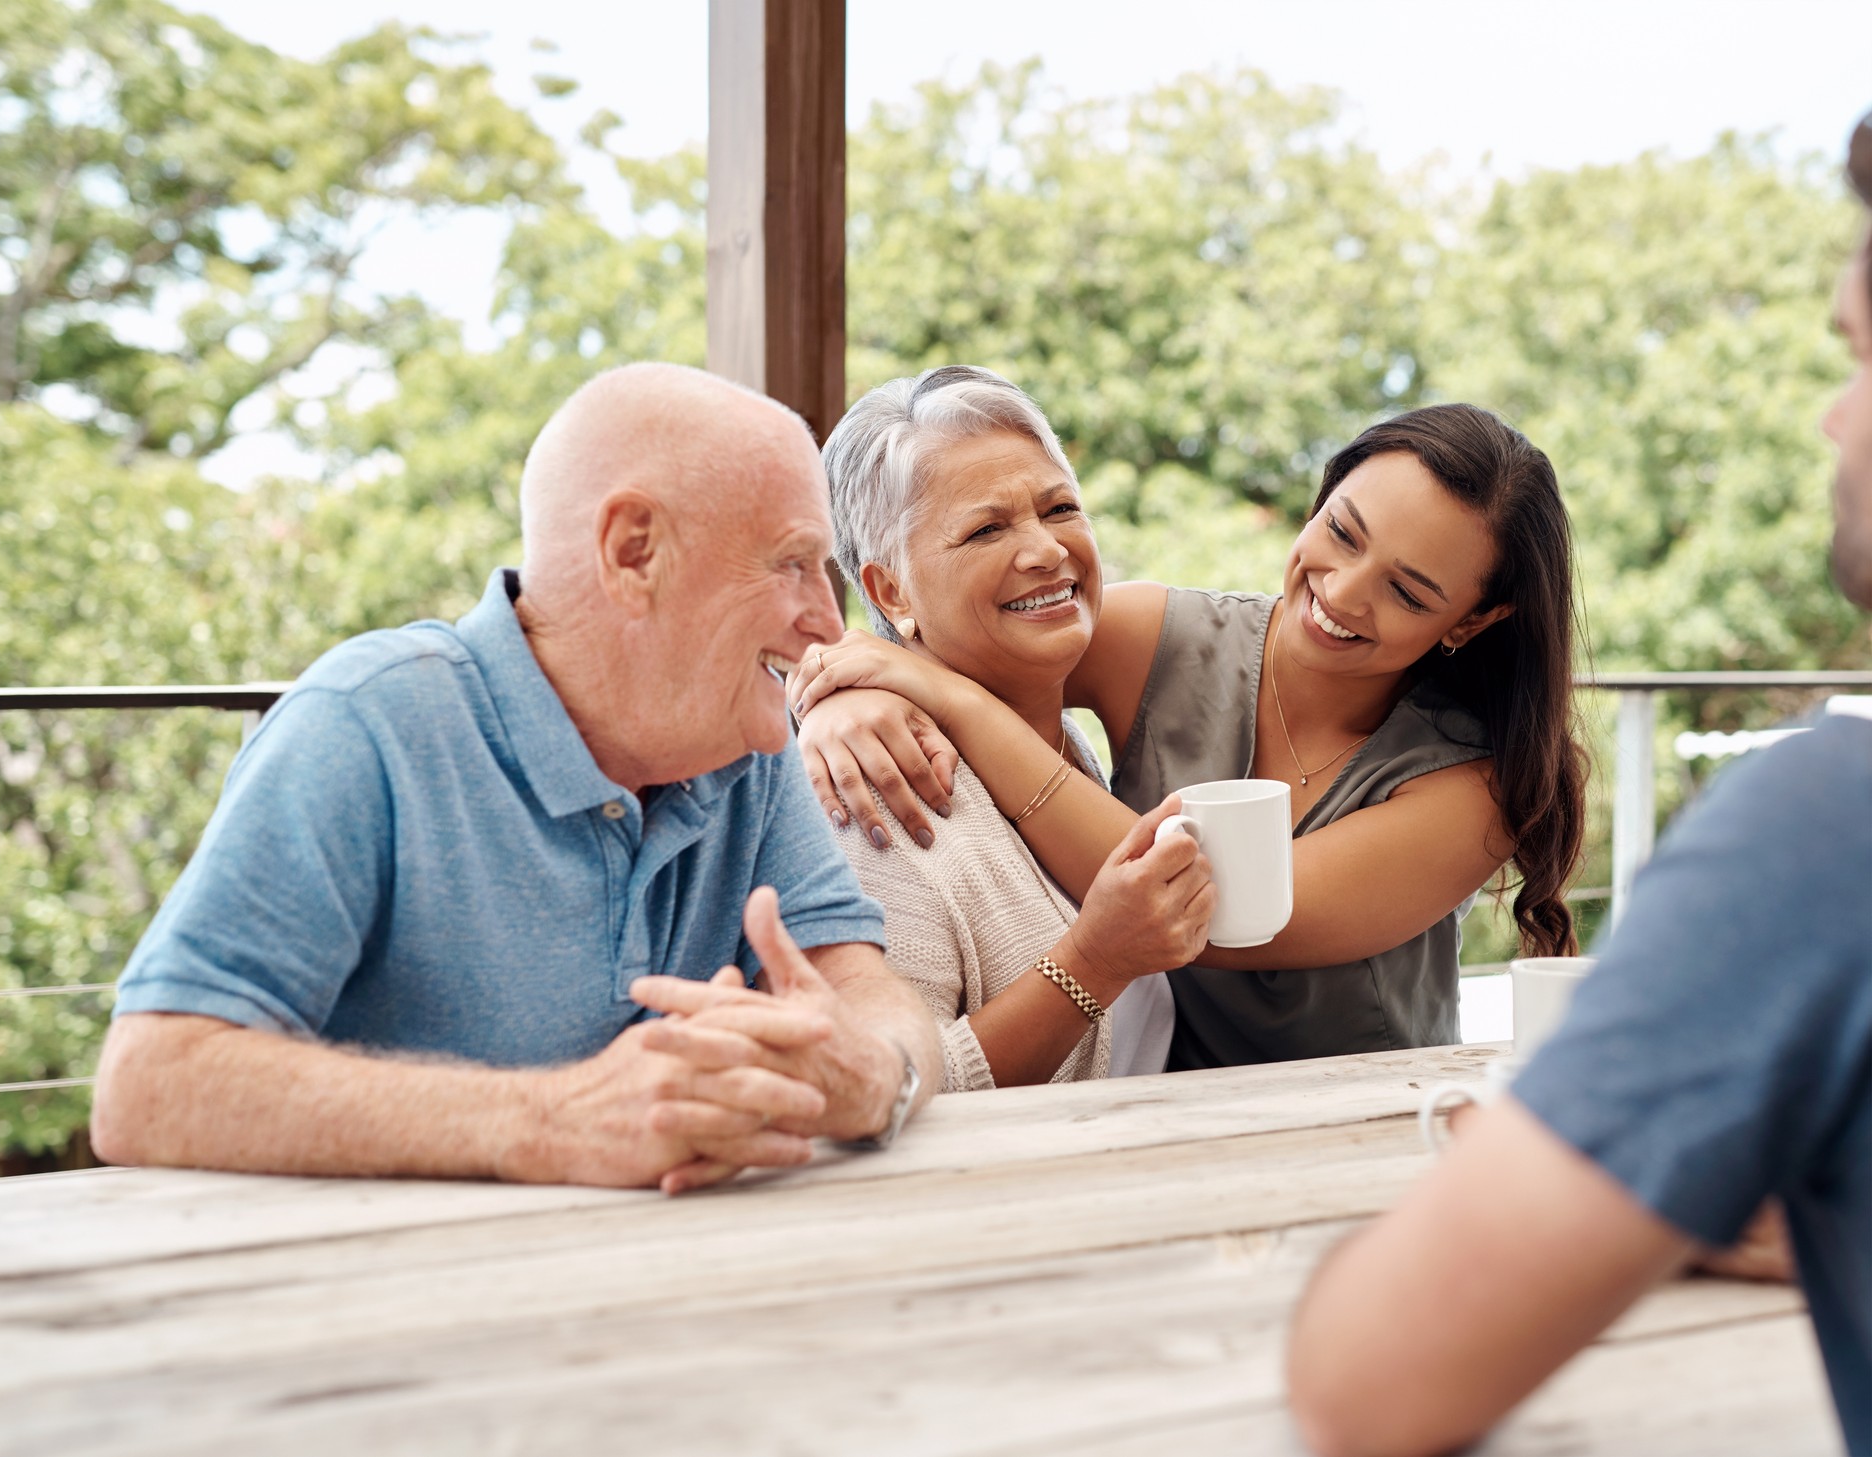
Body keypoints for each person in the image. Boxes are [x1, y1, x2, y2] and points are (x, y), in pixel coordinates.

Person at [1286, 112, 1872, 1457]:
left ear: (1470, 625)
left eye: (1859, 358)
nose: (1837, 416)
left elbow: (1371, 1379)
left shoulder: (1822, 840)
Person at [90, 363, 941, 1196]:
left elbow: (864, 988)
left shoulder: (740, 744)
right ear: (633, 551)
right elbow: (147, 1081)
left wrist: (873, 1076)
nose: (828, 621)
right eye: (792, 563)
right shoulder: (364, 721)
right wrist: (552, 1120)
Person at [791, 403, 1587, 1067]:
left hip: (1354, 1132)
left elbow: (1222, 913)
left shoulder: (1473, 787)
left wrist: (942, 697)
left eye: (1408, 592)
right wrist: (835, 699)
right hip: (1147, 1116)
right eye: (1341, 533)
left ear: (1475, 620)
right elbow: (961, 633)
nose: (1341, 593)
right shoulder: (1151, 637)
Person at [817, 366, 1214, 1089]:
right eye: (986, 528)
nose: (1046, 550)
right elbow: (891, 1090)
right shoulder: (879, 784)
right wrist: (1096, 961)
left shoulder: (1056, 733)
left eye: (1060, 508)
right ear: (891, 590)